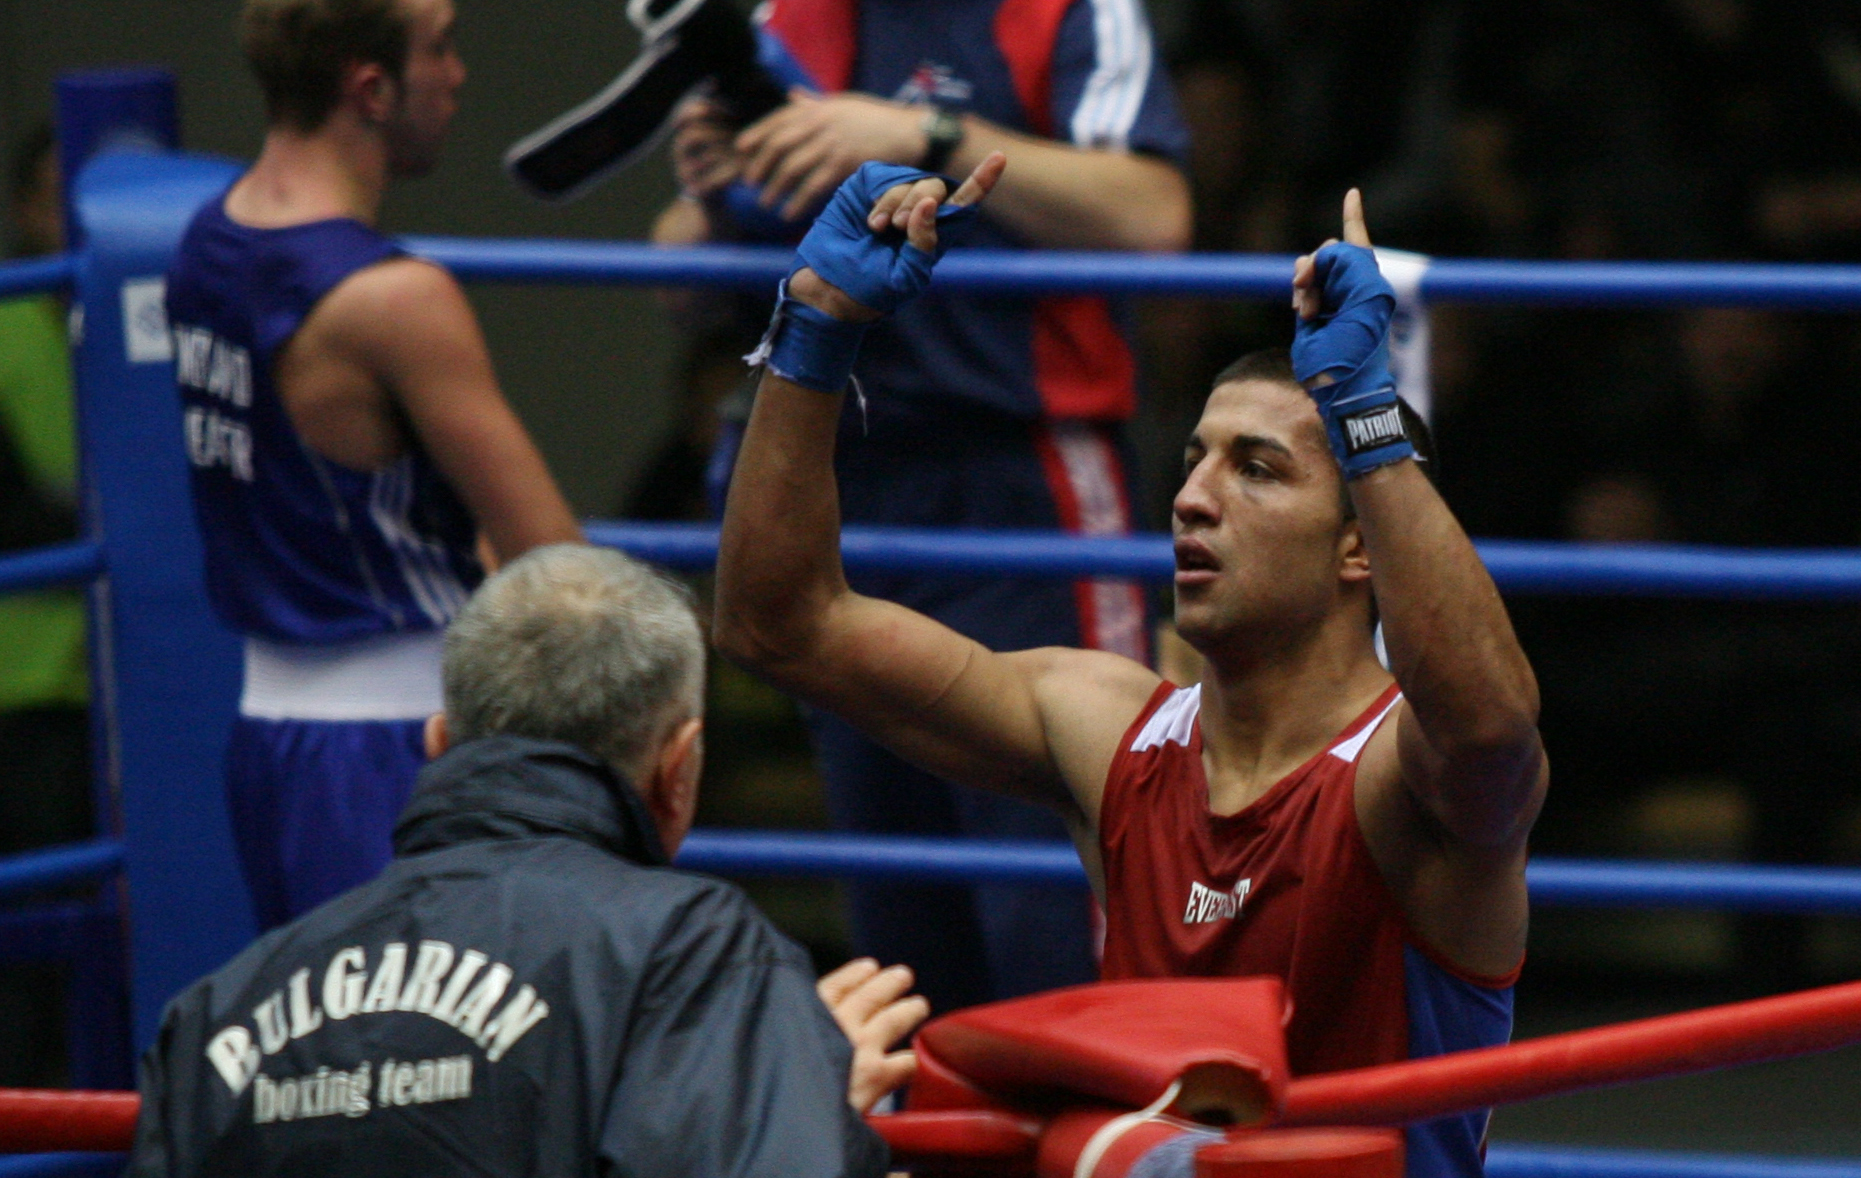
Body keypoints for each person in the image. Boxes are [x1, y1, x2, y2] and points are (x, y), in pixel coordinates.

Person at [715, 159, 1546, 1178]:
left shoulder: (1394, 775)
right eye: (1193, 457)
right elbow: (780, 623)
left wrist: (1365, 417)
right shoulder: (1106, 731)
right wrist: (814, 327)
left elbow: (1490, 730)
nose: (1191, 497)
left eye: (1254, 467)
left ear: (1356, 545)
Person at [655, 0, 1193, 1013]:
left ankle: (1108, 1153)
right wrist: (714, 188)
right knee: (899, 910)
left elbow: (1153, 213)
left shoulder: (1069, 12)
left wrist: (922, 135)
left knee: (1066, 888)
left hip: (1018, 480)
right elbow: (678, 279)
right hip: (843, 475)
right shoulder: (784, 15)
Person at [129, 543, 918, 1178]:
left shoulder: (216, 1009)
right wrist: (787, 1107)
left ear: (436, 744)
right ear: (679, 772)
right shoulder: (690, 954)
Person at [166, 0, 585, 930]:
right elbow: (554, 563)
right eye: (441, 48)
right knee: (430, 1059)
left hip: (270, 738)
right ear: (369, 87)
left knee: (325, 1059)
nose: (458, 76)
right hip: (398, 749)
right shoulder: (391, 298)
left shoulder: (205, 245)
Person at [0, 125, 93, 1084]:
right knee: (29, 951)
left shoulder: (114, 323)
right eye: (50, 193)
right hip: (23, 697)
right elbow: (45, 505)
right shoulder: (9, 324)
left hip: (94, 692)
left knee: (87, 934)